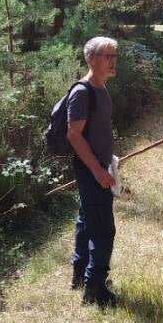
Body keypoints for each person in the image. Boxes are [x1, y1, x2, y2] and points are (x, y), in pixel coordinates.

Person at [66, 36, 119, 307]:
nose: (112, 61)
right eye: (106, 56)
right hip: (90, 169)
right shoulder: (82, 92)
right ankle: (95, 290)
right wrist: (98, 171)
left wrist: (109, 161)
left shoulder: (102, 89)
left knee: (86, 220)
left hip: (100, 165)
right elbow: (74, 135)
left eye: (114, 56)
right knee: (103, 230)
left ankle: (80, 274)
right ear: (90, 59)